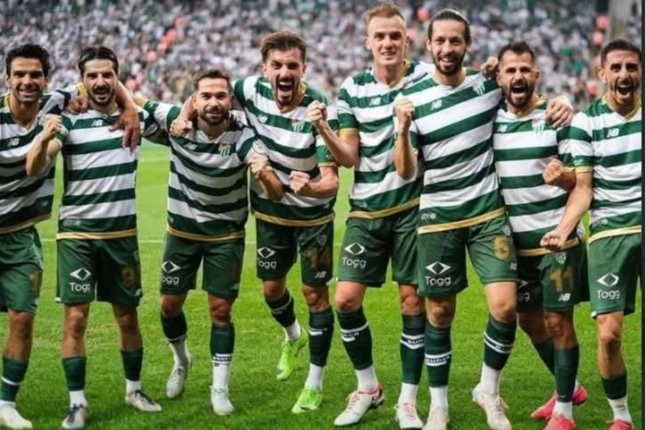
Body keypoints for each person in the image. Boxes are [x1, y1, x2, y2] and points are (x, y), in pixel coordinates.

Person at [392, 9, 573, 430]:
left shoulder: (485, 85)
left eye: (456, 41)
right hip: (438, 217)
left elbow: (525, 92)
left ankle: (488, 391)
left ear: (468, 45)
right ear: (428, 44)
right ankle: (438, 406)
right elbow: (405, 171)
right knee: (439, 313)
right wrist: (401, 129)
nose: (447, 48)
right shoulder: (411, 99)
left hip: (487, 213)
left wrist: (562, 102)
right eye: (440, 41)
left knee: (506, 307)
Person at [172, 30, 340, 413]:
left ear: (304, 68)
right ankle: (293, 336)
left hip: (313, 217)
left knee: (315, 295)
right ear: (264, 69)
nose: (284, 72)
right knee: (271, 291)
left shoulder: (318, 106)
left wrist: (311, 187)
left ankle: (314, 383)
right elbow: (205, 94)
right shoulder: (248, 89)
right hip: (269, 213)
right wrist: (184, 115)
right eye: (276, 65)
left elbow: (332, 179)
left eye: (292, 65)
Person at [0, 43, 139, 430]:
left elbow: (103, 81)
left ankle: (6, 403)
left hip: (19, 235)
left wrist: (129, 106)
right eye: (19, 74)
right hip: (61, 231)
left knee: (22, 319)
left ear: (47, 80)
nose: (27, 81)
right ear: (7, 79)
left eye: (35, 75)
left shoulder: (55, 105)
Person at [25, 46, 164, 430]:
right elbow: (39, 163)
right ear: (82, 80)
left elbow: (179, 126)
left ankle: (134, 390)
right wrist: (44, 139)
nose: (101, 82)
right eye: (93, 76)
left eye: (108, 75)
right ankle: (77, 403)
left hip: (121, 235)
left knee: (127, 317)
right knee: (75, 320)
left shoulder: (136, 118)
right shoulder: (70, 119)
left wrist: (133, 105)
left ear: (117, 78)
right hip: (77, 235)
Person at [135, 68, 282, 415]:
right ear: (194, 99)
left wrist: (263, 173)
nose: (214, 102)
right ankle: (182, 360)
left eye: (220, 95)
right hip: (181, 233)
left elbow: (274, 191)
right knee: (169, 307)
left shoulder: (244, 136)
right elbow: (136, 101)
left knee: (220, 310)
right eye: (206, 95)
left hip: (225, 236)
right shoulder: (176, 121)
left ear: (230, 99)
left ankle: (220, 388)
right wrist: (145, 112)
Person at [541, 38, 642, 430]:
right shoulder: (586, 123)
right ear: (602, 73)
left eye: (631, 67)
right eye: (616, 67)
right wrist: (562, 229)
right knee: (609, 335)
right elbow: (583, 188)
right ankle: (622, 416)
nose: (624, 74)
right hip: (609, 233)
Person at [492, 41, 588, 430]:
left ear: (536, 75)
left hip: (557, 238)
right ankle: (571, 387)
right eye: (510, 70)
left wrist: (563, 177)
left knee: (558, 321)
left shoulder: (557, 117)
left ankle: (564, 411)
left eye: (524, 70)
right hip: (516, 246)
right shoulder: (493, 120)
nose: (517, 77)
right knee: (530, 321)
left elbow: (580, 180)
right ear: (500, 77)